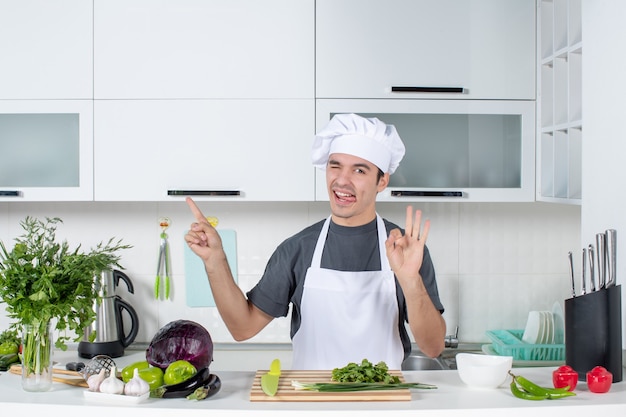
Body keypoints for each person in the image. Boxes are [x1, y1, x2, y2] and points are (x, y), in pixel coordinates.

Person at [185, 113, 446, 370]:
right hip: (311, 401)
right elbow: (242, 328)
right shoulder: (298, 249)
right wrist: (215, 261)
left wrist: (411, 281)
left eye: (359, 170)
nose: (342, 180)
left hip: (382, 401)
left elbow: (433, 347)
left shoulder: (405, 250)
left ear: (382, 181)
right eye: (335, 165)